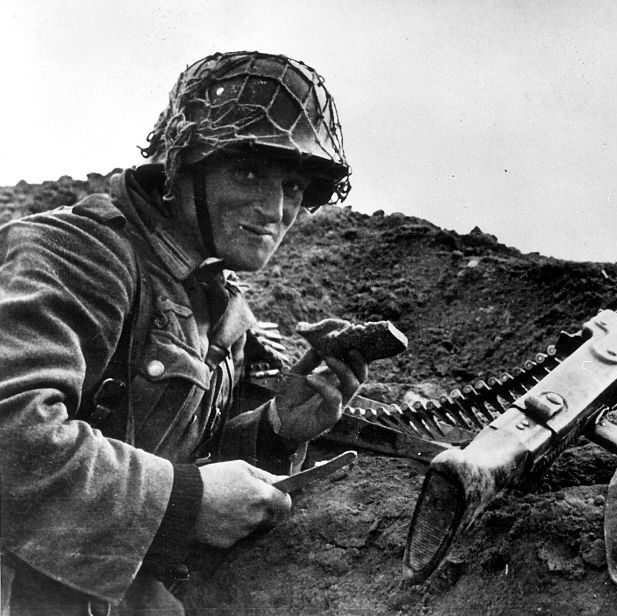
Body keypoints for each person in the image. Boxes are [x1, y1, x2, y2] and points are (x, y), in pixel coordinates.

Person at [0, 51, 368, 615]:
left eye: (294, 187)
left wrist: (273, 430)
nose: (275, 209)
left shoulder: (217, 305)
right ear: (184, 166)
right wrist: (187, 502)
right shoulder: (78, 254)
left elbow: (170, 455)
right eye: (248, 173)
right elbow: (12, 436)